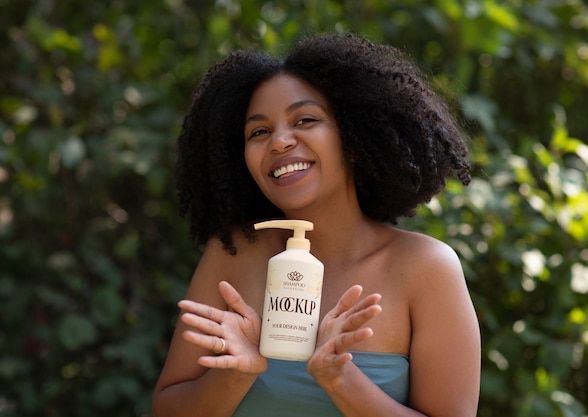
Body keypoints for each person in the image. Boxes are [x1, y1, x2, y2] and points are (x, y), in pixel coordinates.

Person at [152, 33, 480, 417]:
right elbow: (167, 408)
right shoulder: (234, 254)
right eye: (259, 131)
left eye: (305, 120)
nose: (279, 142)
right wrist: (236, 376)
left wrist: (340, 379)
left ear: (354, 139)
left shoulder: (426, 268)